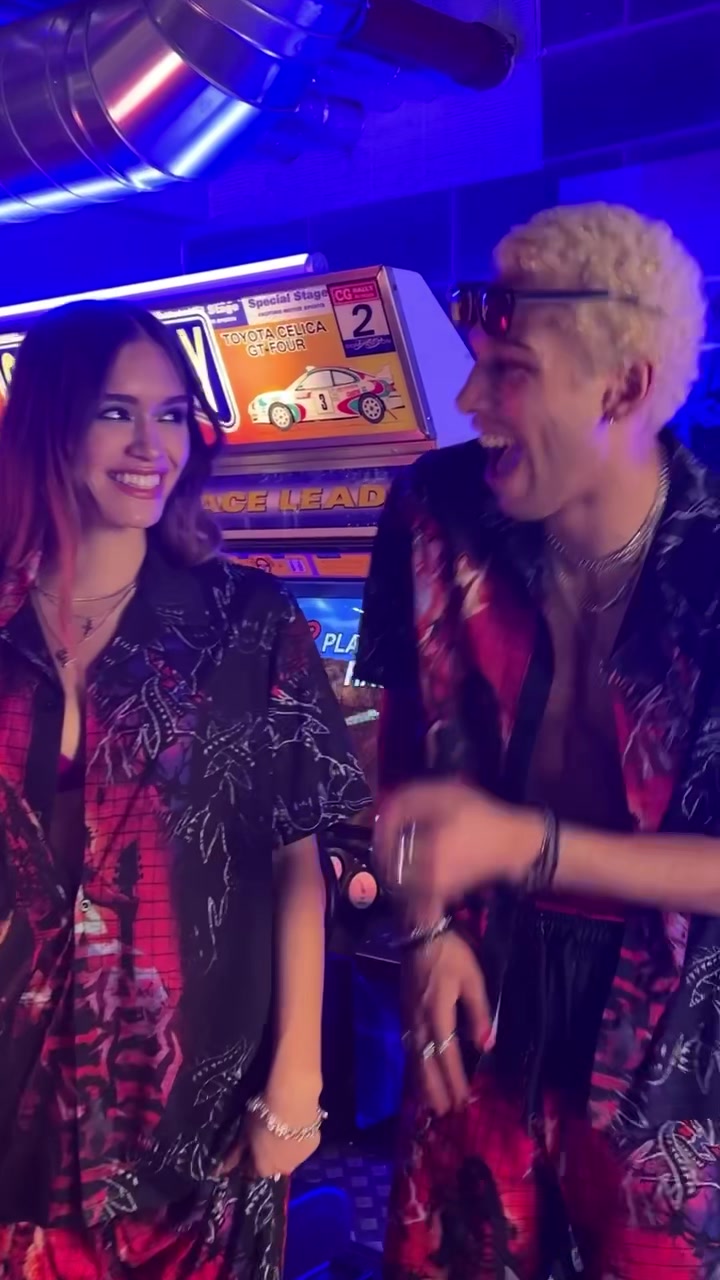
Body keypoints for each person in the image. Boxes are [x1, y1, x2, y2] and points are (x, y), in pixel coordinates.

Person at [357, 203, 720, 1278]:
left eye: (507, 370)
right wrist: (424, 928)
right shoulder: (432, 510)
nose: (469, 399)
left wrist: (524, 843)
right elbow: (403, 763)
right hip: (477, 986)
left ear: (622, 389)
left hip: (677, 1034)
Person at [0, 299, 369, 1279]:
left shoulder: (248, 620)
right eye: (115, 412)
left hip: (194, 1114)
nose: (150, 444)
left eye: (170, 415)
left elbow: (298, 857)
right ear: (49, 423)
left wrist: (299, 1075)